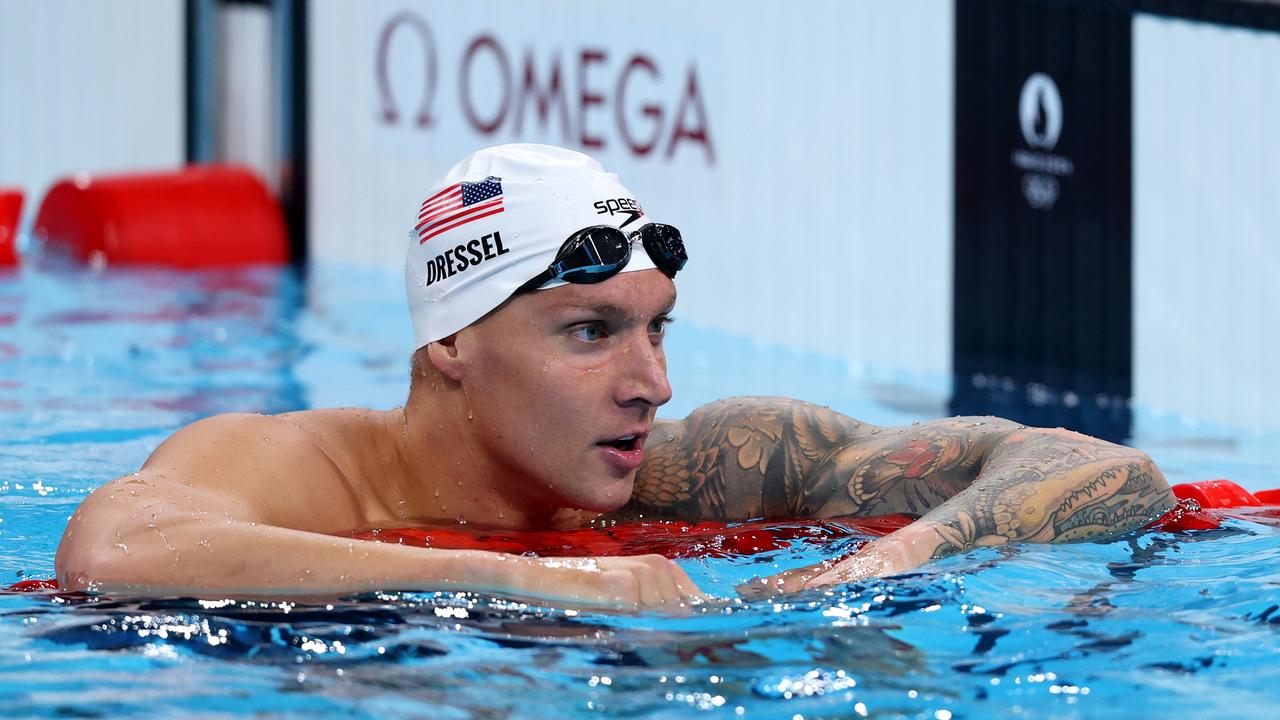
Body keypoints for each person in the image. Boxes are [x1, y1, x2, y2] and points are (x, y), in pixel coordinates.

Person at [55, 144, 1176, 608]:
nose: (650, 384)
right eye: (589, 333)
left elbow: (1108, 472)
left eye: (657, 330)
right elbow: (108, 557)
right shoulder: (292, 469)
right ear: (451, 343)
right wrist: (545, 583)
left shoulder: (699, 471)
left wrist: (902, 551)